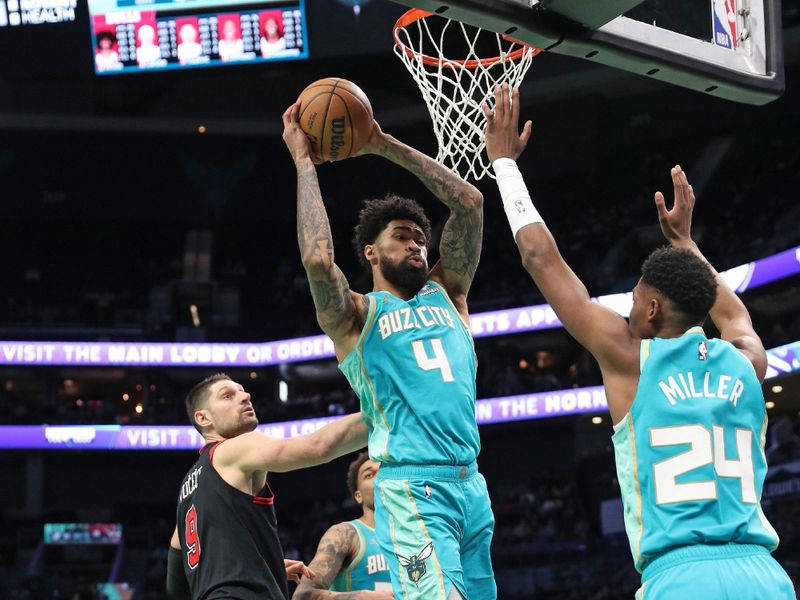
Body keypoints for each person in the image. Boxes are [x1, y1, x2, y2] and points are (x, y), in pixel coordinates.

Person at [482, 84, 796, 599]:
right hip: (764, 576)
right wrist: (687, 246)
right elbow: (734, 313)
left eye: (635, 294)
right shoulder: (746, 361)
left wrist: (505, 166)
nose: (628, 302)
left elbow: (542, 261)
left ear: (651, 310)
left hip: (682, 577)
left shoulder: (632, 358)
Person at [283, 96, 493, 600]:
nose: (418, 244)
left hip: (472, 488)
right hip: (412, 490)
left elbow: (470, 204)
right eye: (403, 236)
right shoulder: (356, 314)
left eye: (422, 238)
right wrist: (304, 163)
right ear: (372, 252)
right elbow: (316, 259)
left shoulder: (450, 294)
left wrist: (379, 142)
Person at [166, 373, 368, 600]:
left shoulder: (188, 486)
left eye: (243, 391)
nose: (245, 396)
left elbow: (175, 580)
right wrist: (386, 413)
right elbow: (319, 446)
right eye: (227, 396)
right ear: (204, 418)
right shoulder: (233, 448)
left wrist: (255, 568)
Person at [293, 452, 392, 599]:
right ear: (358, 496)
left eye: (383, 472)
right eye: (369, 475)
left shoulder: (417, 537)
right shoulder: (344, 534)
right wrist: (360, 597)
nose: (378, 478)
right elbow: (302, 596)